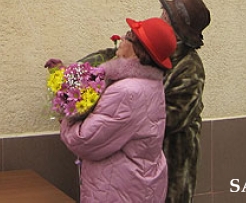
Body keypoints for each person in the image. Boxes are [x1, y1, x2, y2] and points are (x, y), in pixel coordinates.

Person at [76, 0, 211, 203]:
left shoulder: (190, 68)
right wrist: (72, 75)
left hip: (171, 160)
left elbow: (168, 119)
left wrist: (111, 114)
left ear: (177, 28)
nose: (160, 17)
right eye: (164, 12)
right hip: (133, 164)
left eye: (166, 15)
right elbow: (110, 57)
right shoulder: (149, 49)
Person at [60, 17, 177, 203]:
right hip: (137, 185)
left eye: (129, 35)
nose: (122, 38)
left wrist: (67, 117)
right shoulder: (150, 83)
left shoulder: (127, 91)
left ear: (138, 50)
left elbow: (84, 140)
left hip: (117, 190)